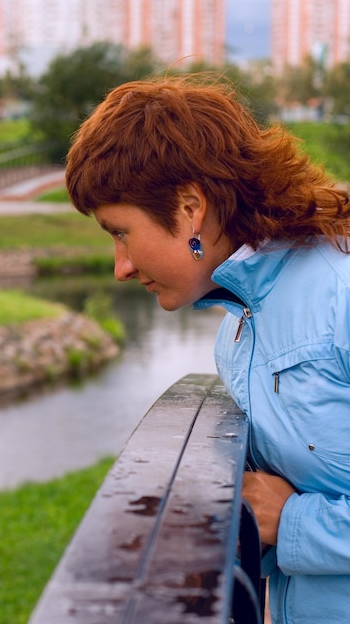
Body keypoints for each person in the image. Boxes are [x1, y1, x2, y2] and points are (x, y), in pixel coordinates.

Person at [65, 75, 350, 624]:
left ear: (190, 207)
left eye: (120, 232)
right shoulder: (239, 330)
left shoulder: (339, 293)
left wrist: (293, 524)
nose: (120, 267)